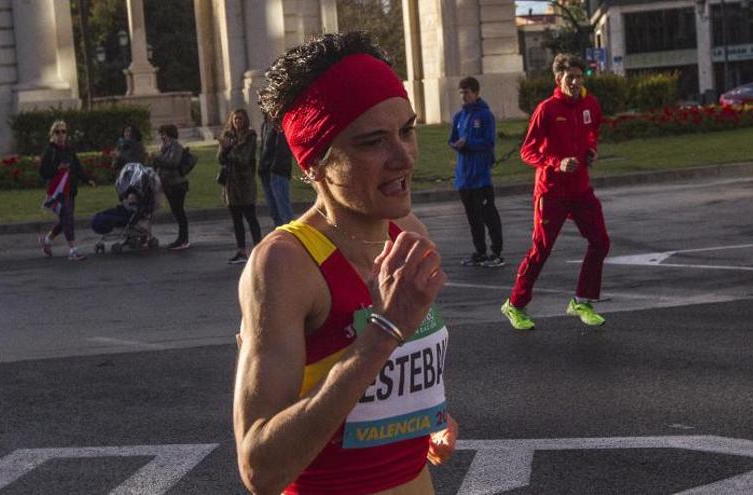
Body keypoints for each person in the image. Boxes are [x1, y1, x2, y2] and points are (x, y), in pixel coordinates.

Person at [233, 32, 457, 495]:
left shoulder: (409, 232)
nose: (404, 157)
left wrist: (425, 416)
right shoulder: (285, 263)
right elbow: (260, 467)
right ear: (315, 163)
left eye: (407, 131)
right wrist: (381, 333)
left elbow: (390, 383)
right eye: (374, 142)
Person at [500, 53, 610, 330]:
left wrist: (590, 151)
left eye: (578, 76)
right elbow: (527, 151)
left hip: (581, 190)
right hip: (551, 192)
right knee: (542, 249)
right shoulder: (547, 110)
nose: (574, 82)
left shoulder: (590, 104)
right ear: (558, 79)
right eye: (569, 77)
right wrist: (556, 163)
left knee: (600, 242)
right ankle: (515, 304)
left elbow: (592, 132)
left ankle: (582, 301)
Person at [449, 76, 504, 268]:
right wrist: (456, 145)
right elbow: (452, 139)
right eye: (462, 93)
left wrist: (469, 144)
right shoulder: (459, 117)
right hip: (464, 177)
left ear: (476, 93)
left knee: (488, 215)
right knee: (473, 217)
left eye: (467, 92)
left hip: (481, 177)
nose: (464, 96)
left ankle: (496, 251)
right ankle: (480, 251)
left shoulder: (485, 116)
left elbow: (489, 142)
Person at [38, 119, 95, 261]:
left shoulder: (69, 149)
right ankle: (73, 250)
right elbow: (43, 172)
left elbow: (77, 166)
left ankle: (47, 240)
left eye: (63, 131)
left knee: (65, 219)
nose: (61, 134)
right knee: (67, 217)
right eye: (57, 132)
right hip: (58, 191)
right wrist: (56, 169)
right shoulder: (50, 151)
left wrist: (87, 179)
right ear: (52, 134)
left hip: (70, 189)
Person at [218, 109, 262, 264]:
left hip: (245, 183)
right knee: (236, 219)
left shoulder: (250, 136)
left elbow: (244, 158)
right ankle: (241, 251)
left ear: (246, 120)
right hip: (230, 183)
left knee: (250, 217)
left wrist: (229, 149)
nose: (237, 122)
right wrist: (224, 149)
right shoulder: (228, 135)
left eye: (240, 119)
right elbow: (221, 159)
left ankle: (258, 248)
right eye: (235, 119)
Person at [152, 124, 190, 250]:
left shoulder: (175, 146)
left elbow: (173, 162)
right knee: (176, 211)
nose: (162, 137)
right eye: (161, 134)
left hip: (177, 184)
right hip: (168, 184)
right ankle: (181, 238)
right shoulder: (166, 148)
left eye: (164, 134)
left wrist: (157, 158)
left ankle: (184, 239)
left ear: (169, 134)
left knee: (179, 211)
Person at [258, 114, 295, 227]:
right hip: (266, 171)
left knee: (284, 211)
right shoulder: (265, 124)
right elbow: (264, 148)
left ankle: (292, 238)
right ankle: (281, 236)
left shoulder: (280, 122)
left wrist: (275, 168)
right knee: (274, 211)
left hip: (278, 171)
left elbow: (283, 149)